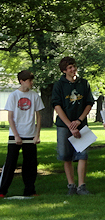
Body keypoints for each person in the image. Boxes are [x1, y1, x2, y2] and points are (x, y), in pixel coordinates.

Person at [51, 57, 95, 195]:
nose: (73, 69)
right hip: (64, 125)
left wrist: (79, 121)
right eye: (69, 67)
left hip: (81, 124)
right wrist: (70, 125)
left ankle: (82, 186)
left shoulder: (84, 83)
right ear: (64, 70)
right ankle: (71, 185)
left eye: (74, 66)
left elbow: (89, 103)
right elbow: (57, 106)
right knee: (66, 155)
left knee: (83, 155)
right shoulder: (59, 85)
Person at [0, 70, 45, 198]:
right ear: (22, 81)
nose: (32, 83)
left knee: (30, 164)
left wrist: (37, 135)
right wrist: (16, 135)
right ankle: (2, 191)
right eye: (29, 81)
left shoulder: (35, 96)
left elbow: (39, 117)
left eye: (32, 80)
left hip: (30, 135)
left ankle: (30, 190)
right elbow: (10, 118)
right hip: (15, 135)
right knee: (10, 163)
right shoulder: (13, 96)